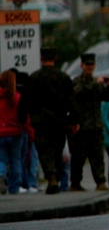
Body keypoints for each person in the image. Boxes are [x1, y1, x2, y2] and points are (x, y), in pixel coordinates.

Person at [24, 48, 76, 194]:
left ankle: (51, 176)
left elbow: (26, 101)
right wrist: (74, 120)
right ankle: (56, 177)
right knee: (57, 149)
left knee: (44, 149)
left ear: (41, 59)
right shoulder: (63, 78)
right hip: (59, 121)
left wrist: (23, 117)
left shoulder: (34, 78)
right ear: (55, 58)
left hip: (40, 121)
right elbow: (71, 100)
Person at [69, 53, 109, 191]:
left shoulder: (97, 82)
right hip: (81, 126)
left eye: (91, 64)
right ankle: (75, 183)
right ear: (82, 66)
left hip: (96, 126)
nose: (89, 67)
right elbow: (77, 93)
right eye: (87, 65)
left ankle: (100, 181)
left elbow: (106, 97)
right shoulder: (77, 81)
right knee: (78, 157)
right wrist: (97, 83)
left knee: (98, 156)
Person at [0, 70, 25, 194]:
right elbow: (23, 116)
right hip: (15, 132)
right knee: (15, 160)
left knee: (2, 159)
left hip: (1, 132)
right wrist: (30, 132)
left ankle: (1, 174)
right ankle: (14, 187)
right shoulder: (17, 97)